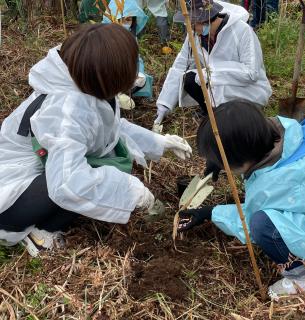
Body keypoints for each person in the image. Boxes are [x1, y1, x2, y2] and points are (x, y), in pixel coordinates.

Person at [0, 24, 192, 256]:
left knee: (99, 169)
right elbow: (67, 183)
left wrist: (158, 142)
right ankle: (38, 231)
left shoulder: (82, 83)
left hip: (36, 175)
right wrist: (129, 190)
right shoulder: (66, 109)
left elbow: (108, 128)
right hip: (11, 198)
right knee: (87, 174)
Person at [177, 100, 305, 299]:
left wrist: (210, 212)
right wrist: (220, 161)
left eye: (224, 162)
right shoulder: (285, 137)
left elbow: (247, 222)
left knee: (262, 224)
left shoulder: (273, 183)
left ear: (240, 157)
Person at [153, 0, 272, 131]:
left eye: (193, 24)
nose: (190, 29)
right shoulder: (195, 34)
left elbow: (251, 72)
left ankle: (233, 118)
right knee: (189, 79)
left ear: (206, 20)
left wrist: (211, 73)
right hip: (216, 87)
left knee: (219, 90)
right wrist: (164, 105)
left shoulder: (242, 31)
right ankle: (211, 114)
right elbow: (180, 64)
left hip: (246, 89)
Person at [103, 0, 154, 105]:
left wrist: (138, 73)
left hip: (125, 76)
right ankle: (112, 97)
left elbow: (136, 59)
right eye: (120, 20)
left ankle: (122, 95)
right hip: (107, 76)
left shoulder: (131, 37)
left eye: (128, 20)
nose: (124, 24)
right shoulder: (104, 37)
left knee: (142, 80)